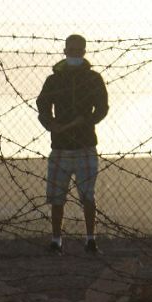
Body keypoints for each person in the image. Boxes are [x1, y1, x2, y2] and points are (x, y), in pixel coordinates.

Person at [35, 32, 109, 256]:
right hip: (60, 146)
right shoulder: (54, 80)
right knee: (57, 197)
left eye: (79, 51)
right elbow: (43, 105)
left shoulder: (94, 79)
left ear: (83, 52)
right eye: (72, 50)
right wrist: (51, 124)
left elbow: (102, 107)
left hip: (86, 145)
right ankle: (56, 241)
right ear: (65, 51)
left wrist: (86, 122)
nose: (75, 54)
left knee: (88, 195)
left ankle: (90, 240)